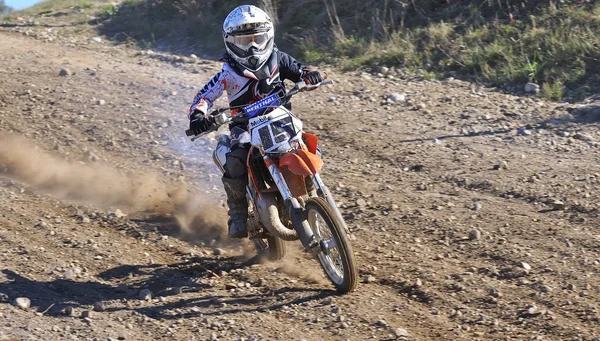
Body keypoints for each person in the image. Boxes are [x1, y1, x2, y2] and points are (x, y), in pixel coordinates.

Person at [187, 5, 324, 238]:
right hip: (245, 127)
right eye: (243, 42)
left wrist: (311, 75)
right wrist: (199, 116)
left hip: (280, 119)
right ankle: (238, 213)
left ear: (268, 37)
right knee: (236, 159)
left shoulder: (279, 59)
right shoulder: (227, 73)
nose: (251, 47)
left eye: (257, 39)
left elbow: (302, 70)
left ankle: (315, 193)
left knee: (310, 145)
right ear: (230, 42)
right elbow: (203, 97)